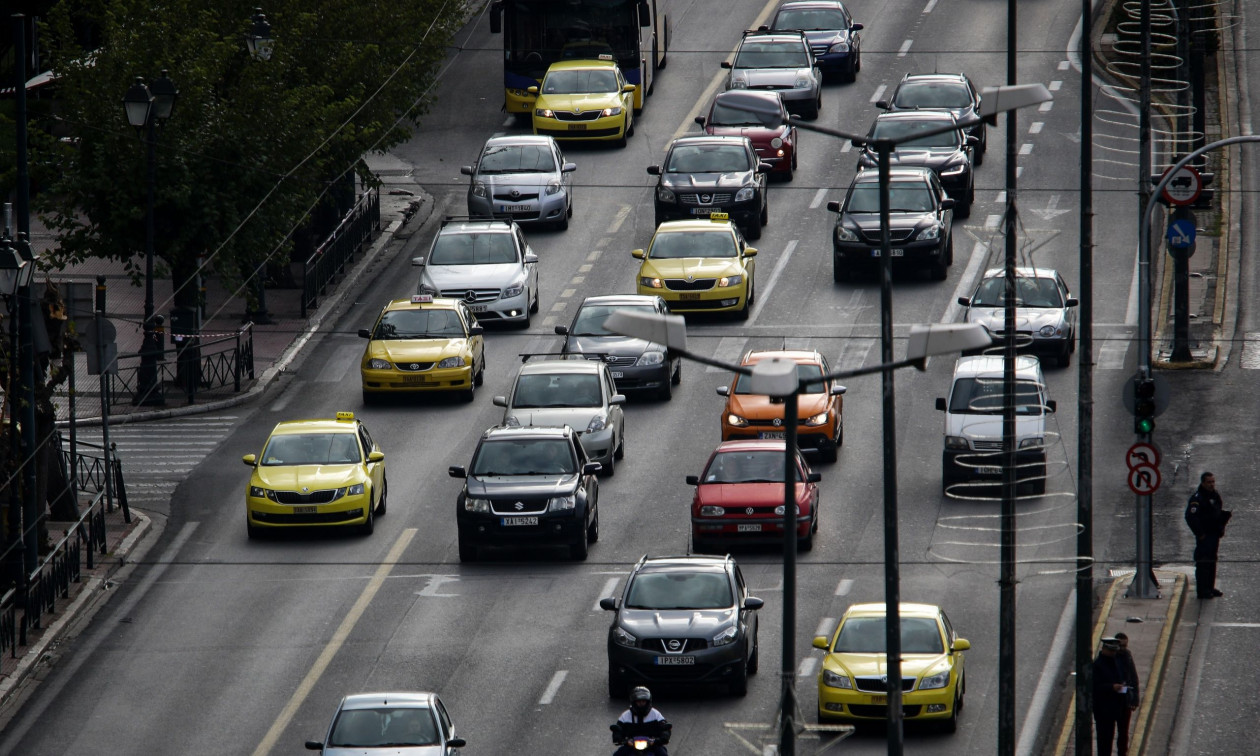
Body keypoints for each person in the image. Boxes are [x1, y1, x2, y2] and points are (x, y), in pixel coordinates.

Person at [1185, 471, 1231, 598]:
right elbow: (1191, 517)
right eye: (1209, 482)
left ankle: (1210, 587)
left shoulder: (1215, 495)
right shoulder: (1197, 498)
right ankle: (1202, 590)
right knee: (1203, 562)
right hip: (1204, 535)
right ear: (1203, 483)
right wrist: (1200, 534)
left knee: (1212, 561)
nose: (1212, 484)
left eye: (1213, 482)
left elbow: (1216, 511)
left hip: (1214, 534)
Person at [1093, 637, 1130, 756]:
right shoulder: (1097, 665)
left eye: (1114, 651)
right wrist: (1111, 687)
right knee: (1105, 740)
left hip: (1119, 705)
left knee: (1123, 734)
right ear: (1104, 649)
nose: (1113, 653)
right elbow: (1094, 687)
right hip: (1104, 709)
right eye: (1111, 651)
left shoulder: (1118, 661)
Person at [611, 686, 671, 756]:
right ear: (634, 702)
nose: (641, 704)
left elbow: (665, 727)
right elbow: (618, 729)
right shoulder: (625, 716)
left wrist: (664, 737)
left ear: (648, 702)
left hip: (652, 745)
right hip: (631, 745)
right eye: (639, 702)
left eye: (643, 701)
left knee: (663, 754)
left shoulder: (655, 714)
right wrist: (618, 737)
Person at [1114, 632, 1141, 756]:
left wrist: (1135, 699)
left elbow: (1134, 678)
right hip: (1112, 701)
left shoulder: (1127, 656)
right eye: (1121, 646)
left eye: (1125, 646)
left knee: (1123, 732)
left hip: (1125, 700)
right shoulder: (1110, 658)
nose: (1123, 649)